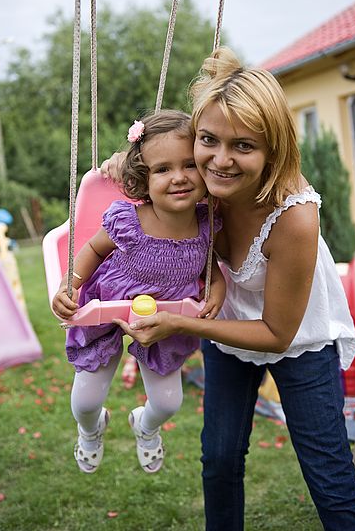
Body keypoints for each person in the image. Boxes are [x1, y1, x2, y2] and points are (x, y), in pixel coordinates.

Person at [105, 47, 355, 530]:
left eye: (244, 146)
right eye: (208, 141)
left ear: (273, 150)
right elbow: (159, 169)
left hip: (298, 340)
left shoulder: (294, 217)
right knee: (220, 459)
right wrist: (127, 162)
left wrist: (180, 323)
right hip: (230, 329)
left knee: (328, 474)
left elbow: (278, 334)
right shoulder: (202, 181)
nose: (220, 161)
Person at [53, 109, 225, 475]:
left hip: (165, 317)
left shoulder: (207, 221)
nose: (178, 178)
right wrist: (71, 283)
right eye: (162, 169)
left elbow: (213, 265)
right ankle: (90, 428)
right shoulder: (128, 219)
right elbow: (94, 249)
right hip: (108, 306)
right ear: (142, 179)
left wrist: (217, 289)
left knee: (167, 403)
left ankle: (144, 427)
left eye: (188, 165)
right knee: (86, 399)